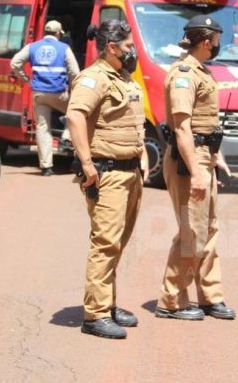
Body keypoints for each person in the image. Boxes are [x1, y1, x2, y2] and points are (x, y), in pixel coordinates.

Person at [65, 19, 148, 339]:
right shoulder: (94, 78)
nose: (133, 52)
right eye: (128, 47)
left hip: (130, 171)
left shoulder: (123, 77)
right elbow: (75, 115)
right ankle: (95, 314)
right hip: (107, 173)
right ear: (111, 48)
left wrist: (141, 154)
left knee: (118, 243)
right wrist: (86, 163)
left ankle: (108, 304)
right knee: (105, 243)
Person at [155, 14, 235, 321]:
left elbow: (204, 125)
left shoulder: (202, 71)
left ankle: (210, 296)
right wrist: (198, 170)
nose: (218, 46)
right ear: (206, 41)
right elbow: (183, 128)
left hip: (203, 156)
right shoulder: (184, 75)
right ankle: (171, 300)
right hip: (189, 161)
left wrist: (215, 157)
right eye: (216, 41)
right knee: (192, 233)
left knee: (208, 229)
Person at [11, 20, 80, 175]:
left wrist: (27, 80)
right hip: (59, 93)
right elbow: (75, 72)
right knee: (76, 110)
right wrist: (72, 87)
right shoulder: (64, 48)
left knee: (43, 127)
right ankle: (67, 136)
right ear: (58, 33)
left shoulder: (33, 47)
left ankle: (46, 167)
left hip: (39, 93)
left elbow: (15, 63)